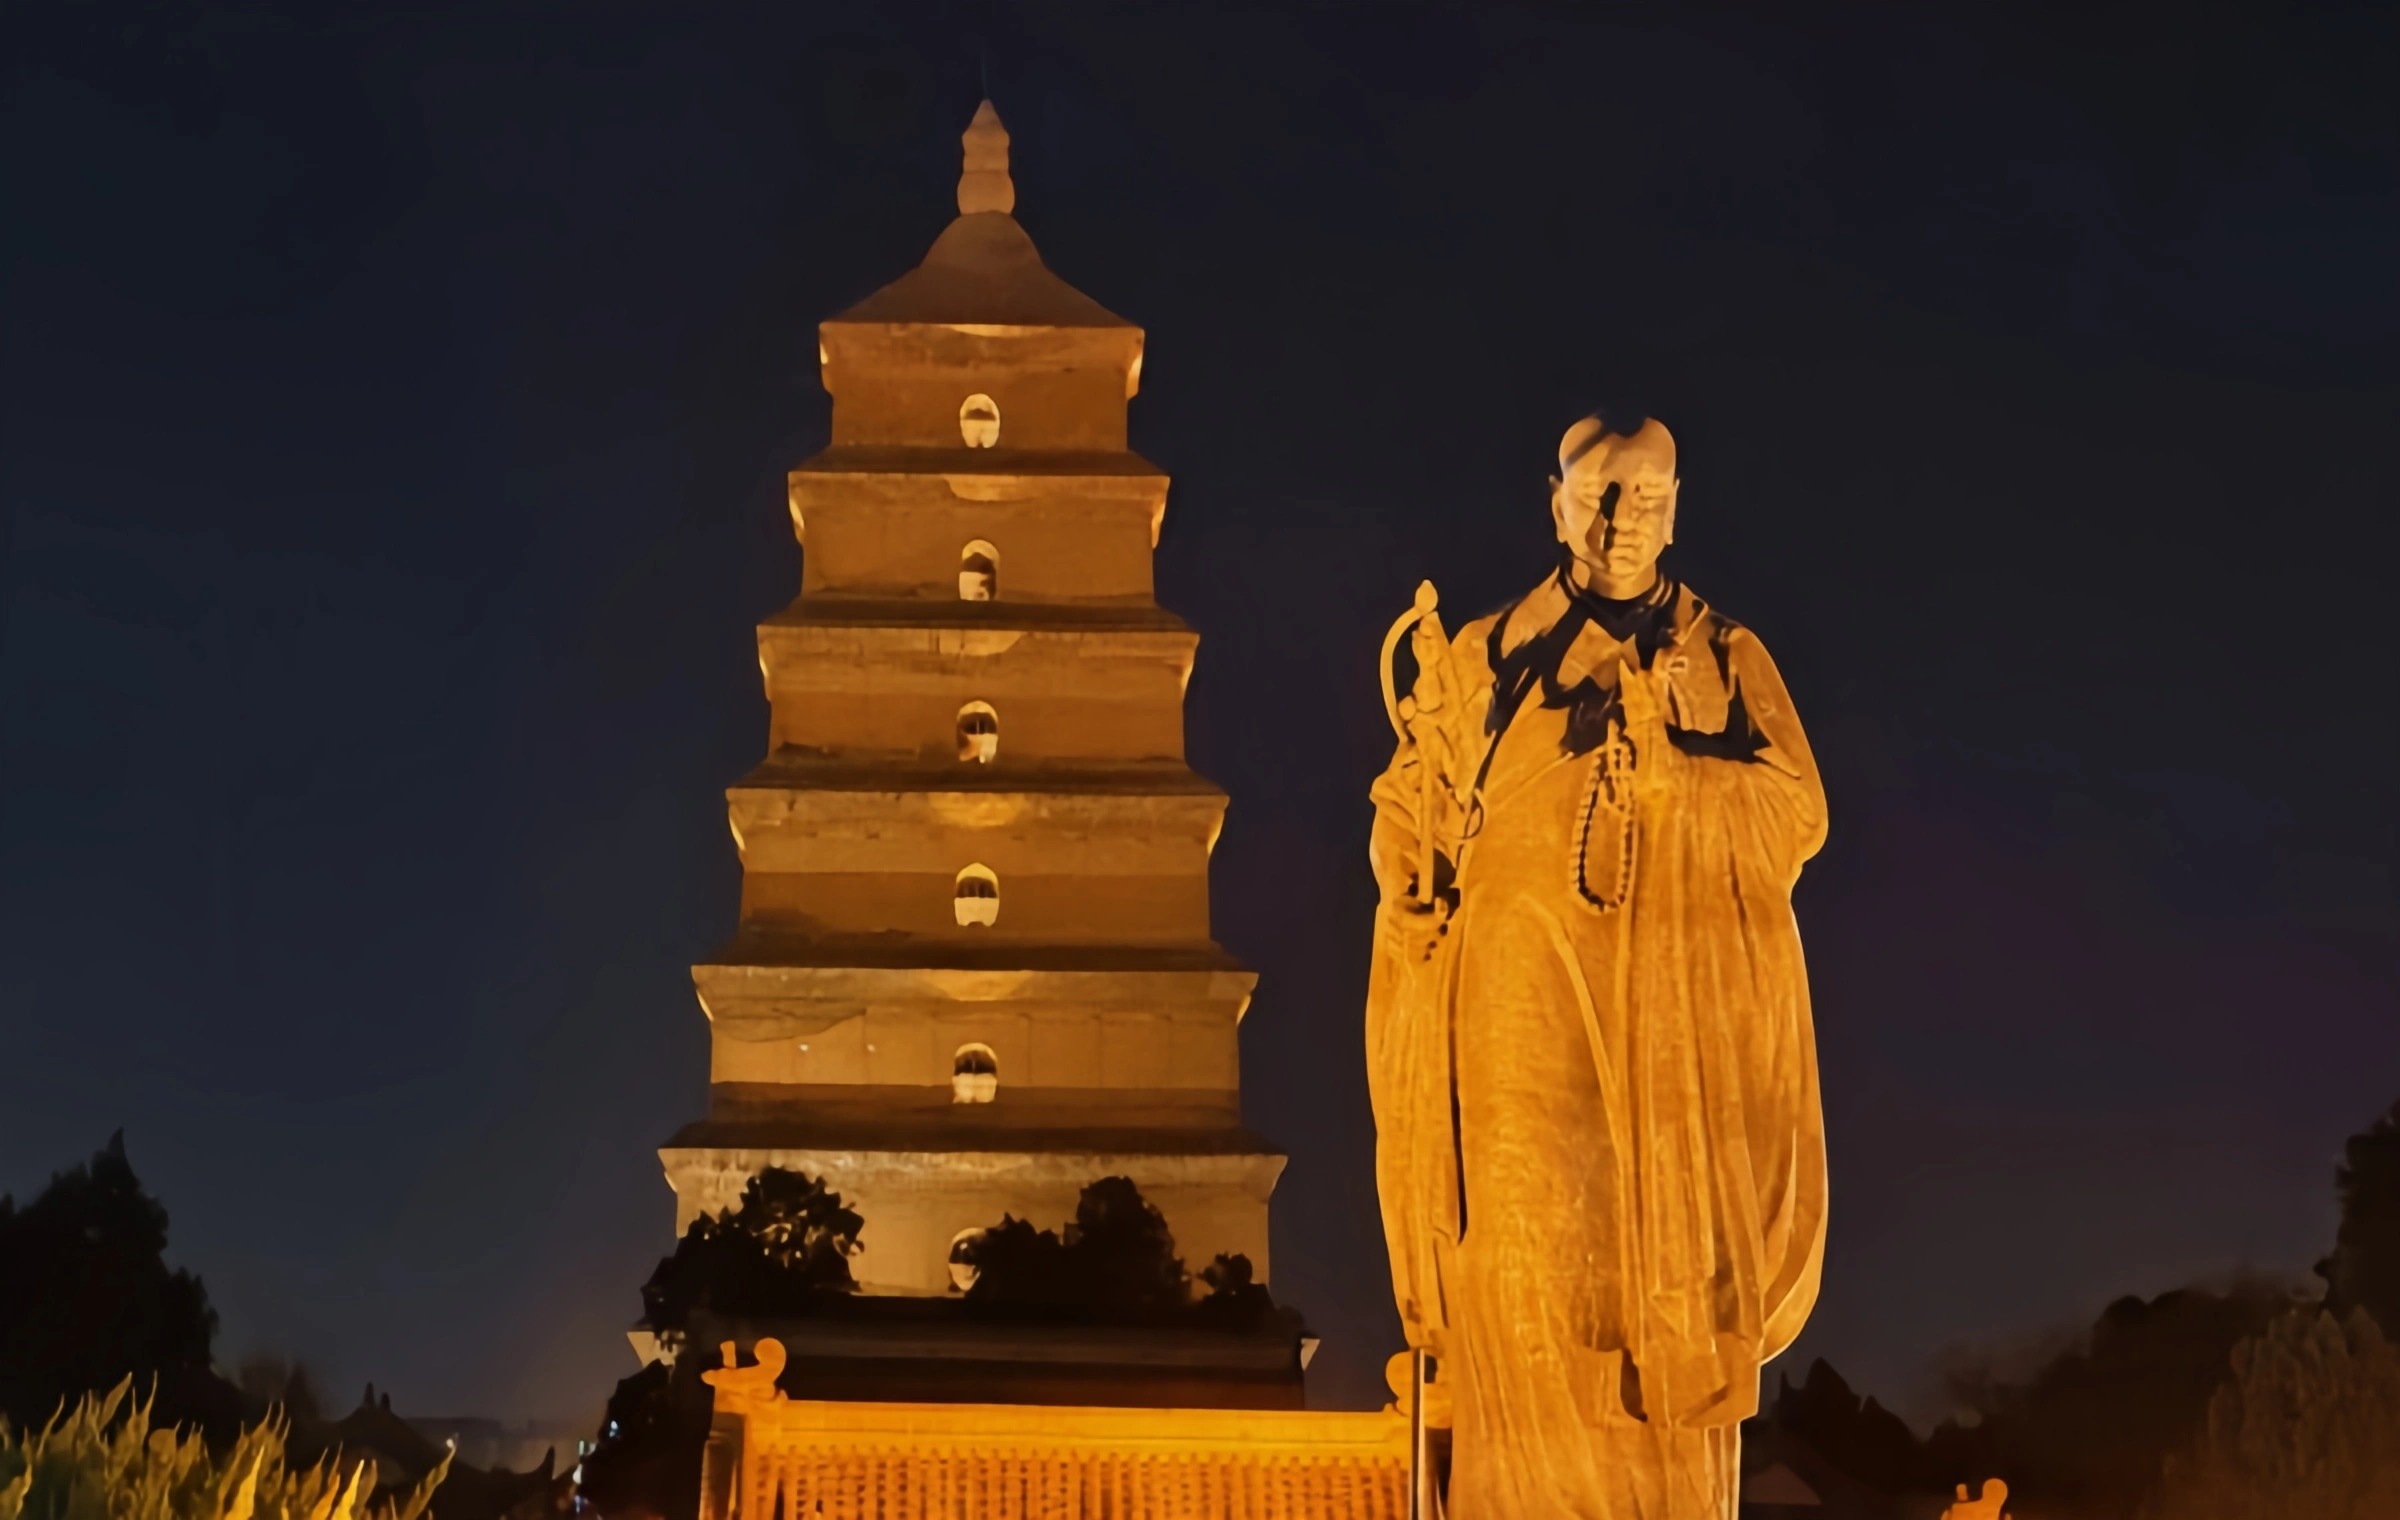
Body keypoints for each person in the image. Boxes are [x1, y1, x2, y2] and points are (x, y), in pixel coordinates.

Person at [1366, 414, 1829, 1518]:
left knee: (1646, 1307)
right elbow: (1406, 800)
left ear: (1678, 503)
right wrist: (1403, 866)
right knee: (1518, 1271)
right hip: (1511, 1011)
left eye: (1648, 498)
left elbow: (1794, 812)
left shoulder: (1722, 656)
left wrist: (1675, 778)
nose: (1623, 524)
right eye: (1600, 496)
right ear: (1556, 499)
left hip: (1662, 1039)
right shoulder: (1485, 655)